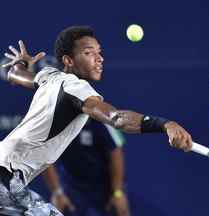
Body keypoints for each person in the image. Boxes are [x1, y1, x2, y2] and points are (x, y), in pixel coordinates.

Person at [0, 25, 193, 215]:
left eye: (99, 52)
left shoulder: (49, 77)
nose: (99, 58)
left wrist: (21, 62)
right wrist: (165, 124)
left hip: (10, 178)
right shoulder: (77, 87)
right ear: (68, 60)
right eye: (88, 53)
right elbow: (117, 119)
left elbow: (15, 75)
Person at [43, 120, 130, 216]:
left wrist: (117, 193)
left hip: (105, 189)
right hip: (71, 189)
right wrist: (57, 192)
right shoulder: (57, 119)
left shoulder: (105, 118)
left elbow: (116, 154)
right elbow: (45, 155)